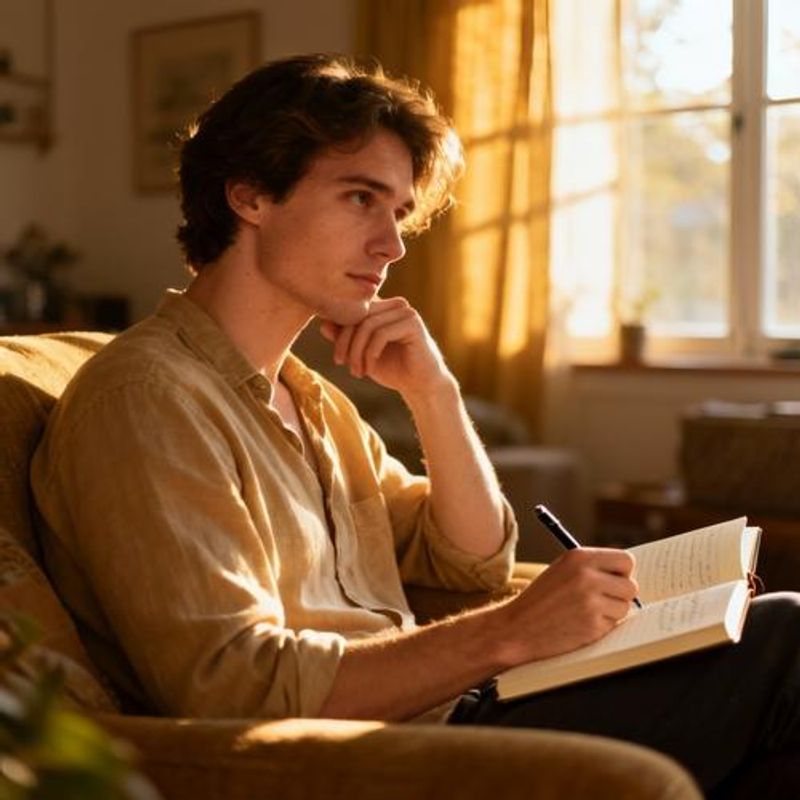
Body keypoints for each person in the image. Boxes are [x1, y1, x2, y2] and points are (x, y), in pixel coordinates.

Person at [31, 54, 800, 797]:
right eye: (361, 198)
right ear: (251, 196)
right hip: (377, 756)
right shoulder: (145, 399)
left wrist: (435, 393)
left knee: (770, 651)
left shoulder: (313, 401)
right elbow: (238, 686)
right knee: (787, 643)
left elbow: (471, 564)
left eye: (398, 212)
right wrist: (511, 634)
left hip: (462, 708)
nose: (393, 246)